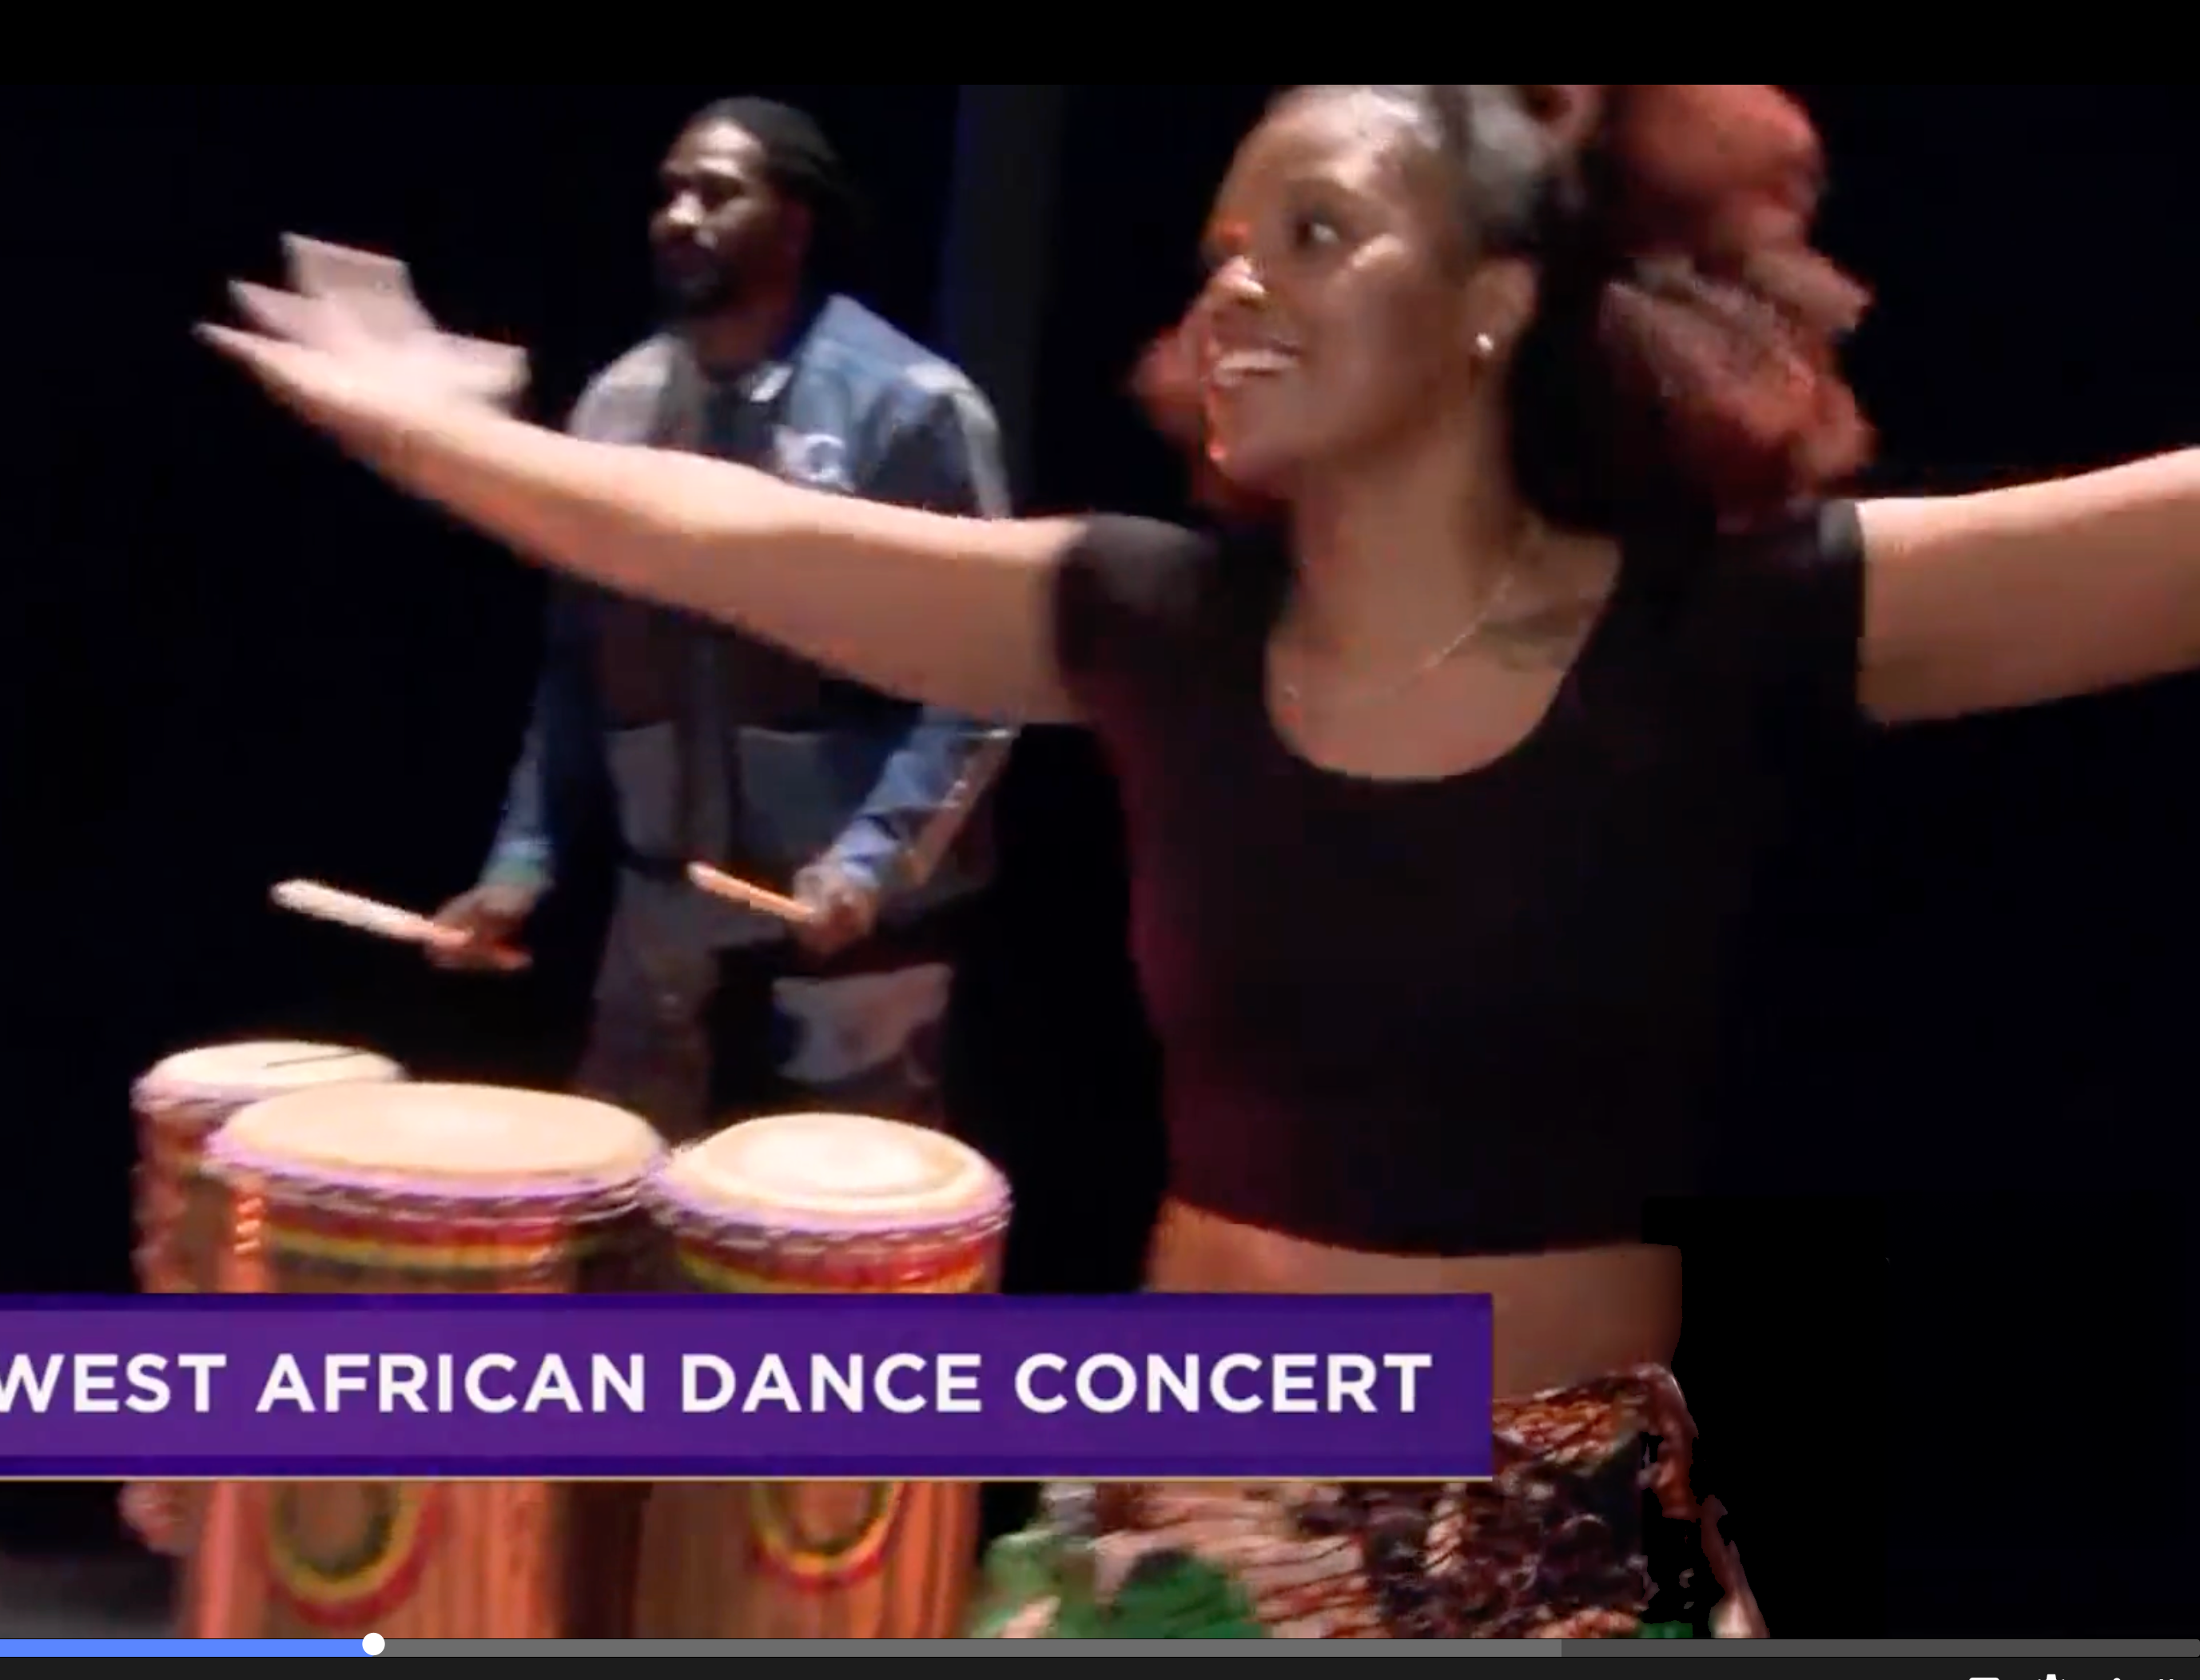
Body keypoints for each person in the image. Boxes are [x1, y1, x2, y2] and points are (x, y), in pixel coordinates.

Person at [202, 84, 2200, 1638]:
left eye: (1319, 233)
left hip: (1538, 1548)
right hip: (1167, 1508)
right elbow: (706, 535)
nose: (1238, 282)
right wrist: (431, 428)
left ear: (1497, 305)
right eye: (1225, 245)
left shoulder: (1723, 632)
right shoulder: (1155, 622)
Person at [420, 97, 1013, 1140]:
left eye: (716, 191)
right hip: (663, 930)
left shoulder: (906, 406)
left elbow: (982, 678)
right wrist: (519, 864)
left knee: (829, 1257)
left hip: (847, 934)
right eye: (668, 192)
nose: (680, 215)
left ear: (794, 224)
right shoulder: (614, 410)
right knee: (628, 1233)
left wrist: (872, 858)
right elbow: (576, 667)